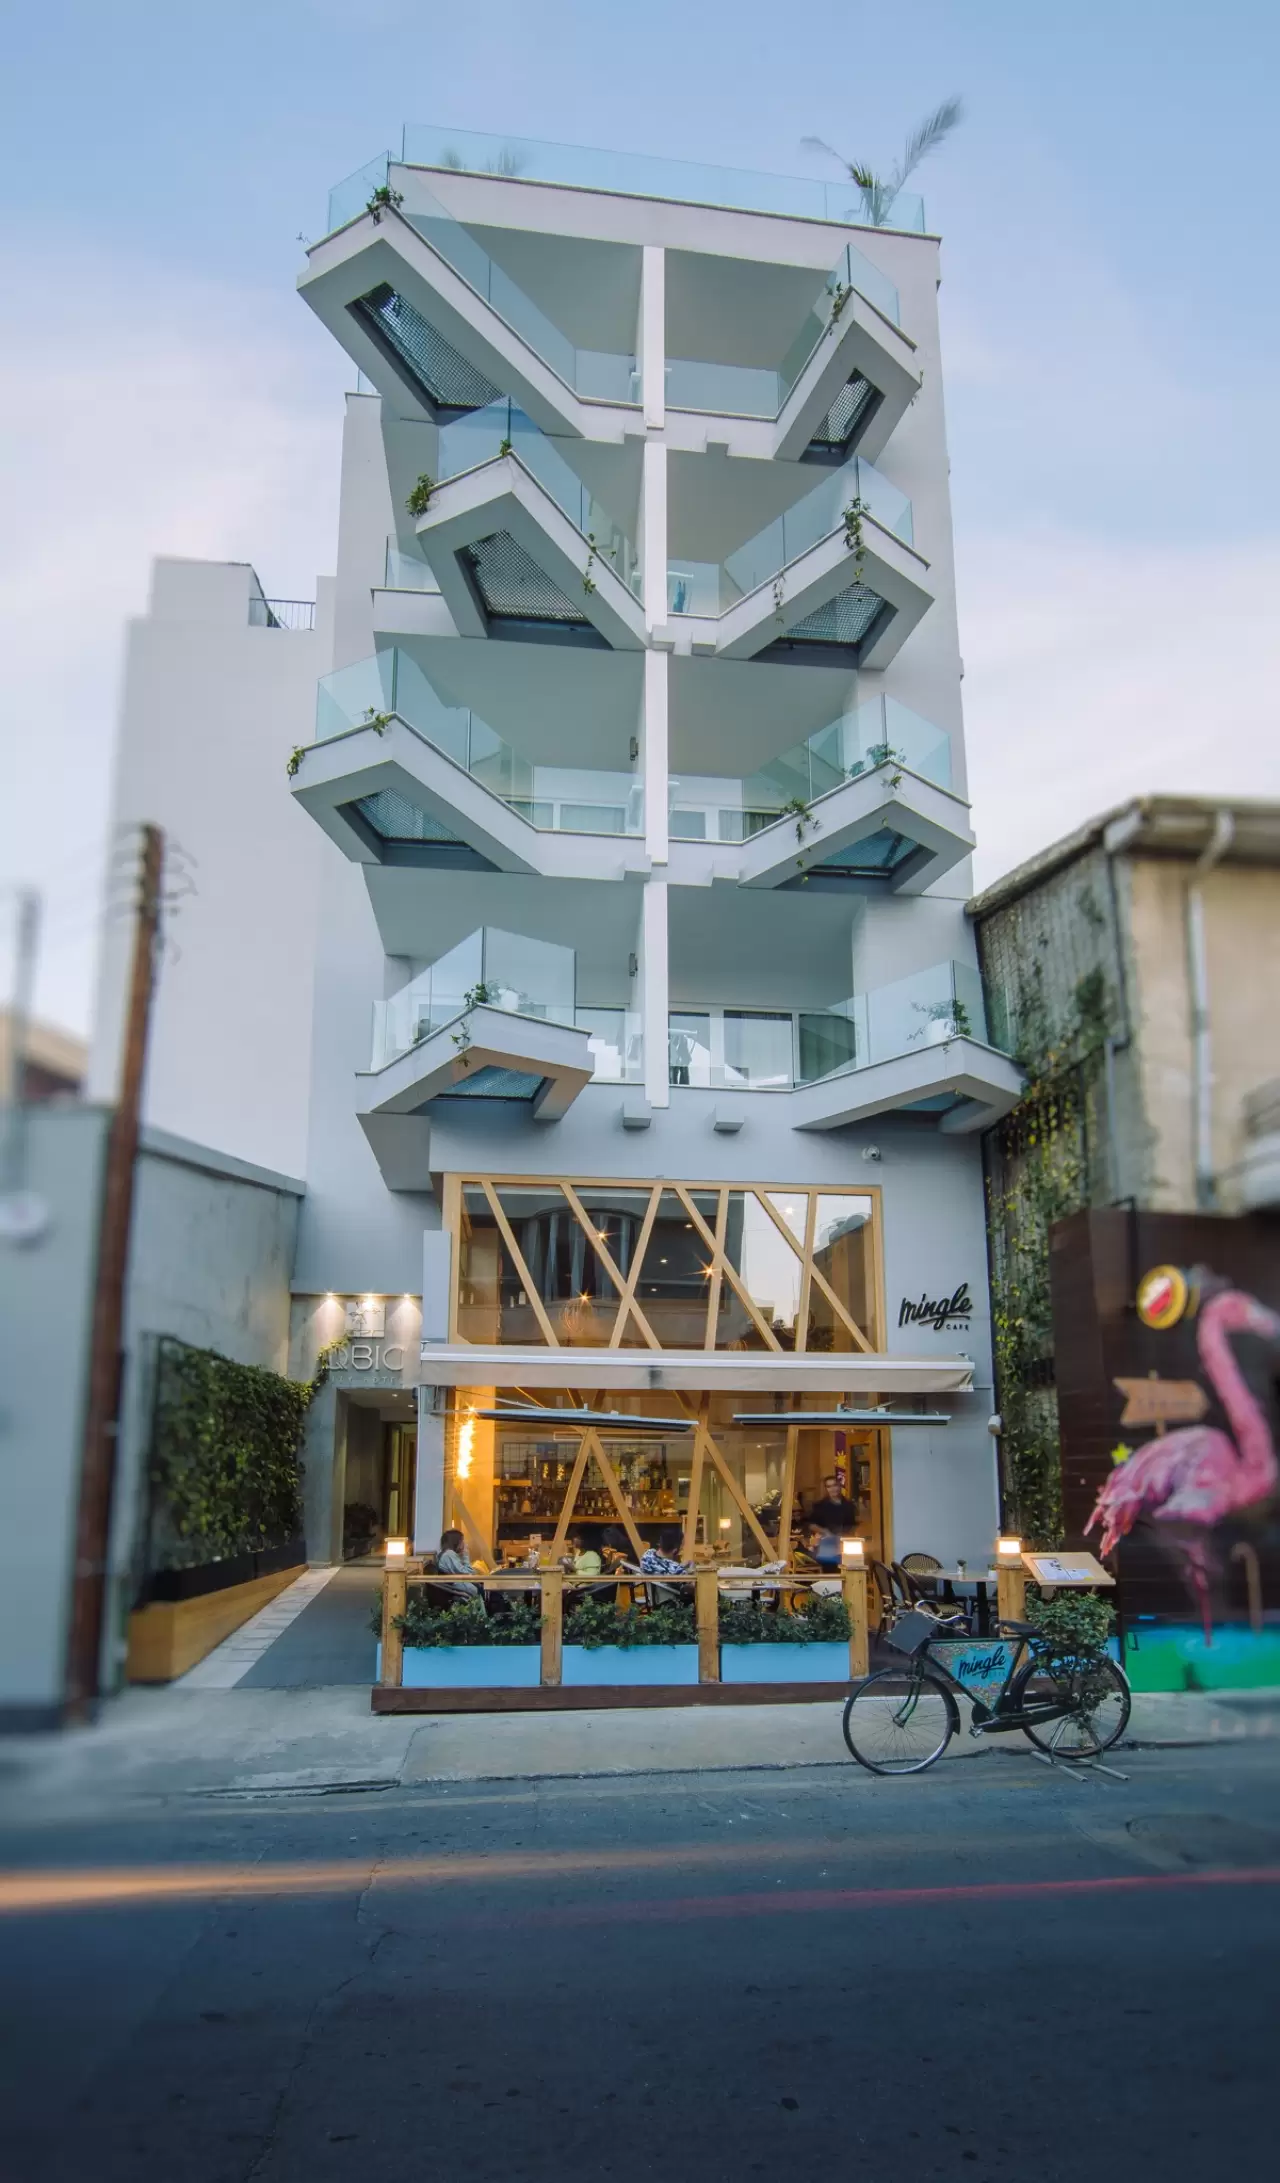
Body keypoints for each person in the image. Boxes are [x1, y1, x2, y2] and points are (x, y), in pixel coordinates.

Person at [436, 1528, 480, 1599]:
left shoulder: (448, 1554)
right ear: (455, 1541)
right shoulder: (449, 1554)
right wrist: (465, 1554)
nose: (464, 1544)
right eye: (462, 1541)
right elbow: (469, 1573)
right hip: (459, 1592)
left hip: (455, 1589)